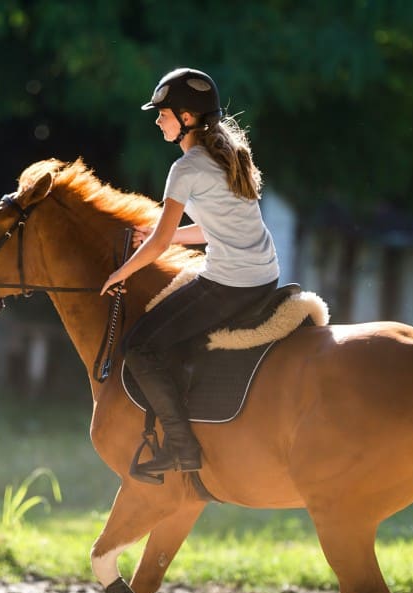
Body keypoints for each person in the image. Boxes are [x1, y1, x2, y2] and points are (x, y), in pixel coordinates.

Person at [100, 68, 280, 478]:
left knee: (139, 346)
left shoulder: (186, 168)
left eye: (162, 113)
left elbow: (159, 246)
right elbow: (207, 229)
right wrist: (160, 235)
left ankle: (182, 448)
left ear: (186, 118)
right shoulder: (226, 154)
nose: (157, 120)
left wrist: (121, 274)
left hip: (230, 284)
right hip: (262, 275)